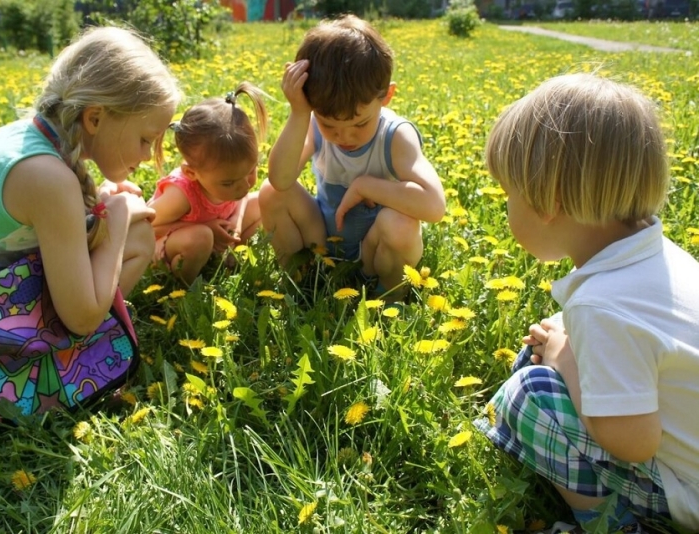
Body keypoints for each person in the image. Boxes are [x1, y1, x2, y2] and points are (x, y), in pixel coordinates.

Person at [473, 73, 699, 534]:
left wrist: (565, 358)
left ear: (548, 203)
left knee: (528, 396)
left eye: (507, 194)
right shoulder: (660, 256)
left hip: (686, 492)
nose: (505, 207)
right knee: (541, 352)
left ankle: (611, 525)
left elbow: (633, 441)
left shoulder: (602, 306)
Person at [0, 26, 181, 337]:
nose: (149, 155)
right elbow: (81, 320)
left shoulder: (33, 144)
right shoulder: (47, 177)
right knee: (136, 237)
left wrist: (102, 206)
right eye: (145, 139)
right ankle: (80, 357)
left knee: (134, 234)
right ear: (95, 118)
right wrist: (118, 217)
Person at [258, 14, 446, 300]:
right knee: (271, 193)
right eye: (329, 124)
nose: (344, 137)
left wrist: (366, 186)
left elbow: (434, 206)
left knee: (402, 225)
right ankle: (304, 283)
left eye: (359, 124)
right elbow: (281, 180)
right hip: (322, 239)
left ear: (386, 96)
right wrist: (299, 113)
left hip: (373, 250)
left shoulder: (395, 136)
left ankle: (387, 300)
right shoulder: (308, 123)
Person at [147, 82, 268, 284]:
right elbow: (146, 228)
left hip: (215, 234)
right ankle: (186, 286)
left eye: (250, 172)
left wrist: (237, 218)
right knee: (201, 237)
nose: (244, 186)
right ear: (191, 173)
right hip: (172, 247)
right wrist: (208, 228)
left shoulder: (234, 179)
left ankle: (229, 255)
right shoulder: (180, 196)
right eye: (228, 183)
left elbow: (243, 196)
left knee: (264, 201)